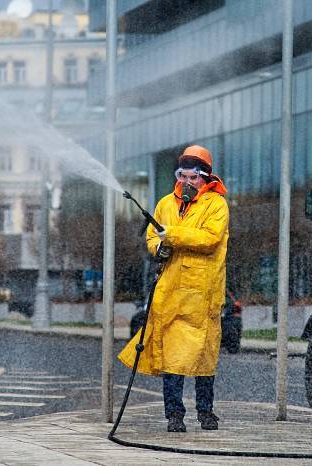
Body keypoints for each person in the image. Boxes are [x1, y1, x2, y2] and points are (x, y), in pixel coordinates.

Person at [117, 145, 230, 433]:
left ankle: (205, 413)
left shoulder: (216, 205)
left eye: (194, 177)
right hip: (171, 293)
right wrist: (159, 249)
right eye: (183, 176)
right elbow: (153, 237)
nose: (188, 182)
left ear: (205, 177)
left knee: (203, 361)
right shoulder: (166, 203)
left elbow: (210, 238)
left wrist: (174, 235)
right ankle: (174, 416)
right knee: (173, 360)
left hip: (202, 295)